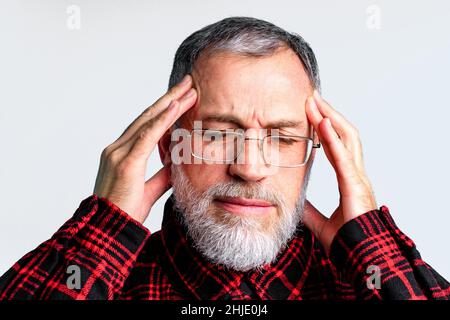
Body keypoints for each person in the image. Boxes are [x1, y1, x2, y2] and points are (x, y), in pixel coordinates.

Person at [1, 16, 449, 300]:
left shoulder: (363, 284)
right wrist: (103, 228)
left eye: (282, 139)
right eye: (216, 134)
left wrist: (370, 244)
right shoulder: (99, 283)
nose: (250, 168)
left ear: (315, 156)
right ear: (167, 147)